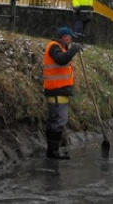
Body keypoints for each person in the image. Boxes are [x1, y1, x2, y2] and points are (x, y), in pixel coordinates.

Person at [43, 26, 83, 159]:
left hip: (61, 90)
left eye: (71, 38)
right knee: (58, 120)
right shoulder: (54, 47)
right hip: (55, 90)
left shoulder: (62, 48)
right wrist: (73, 50)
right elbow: (61, 60)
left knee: (57, 120)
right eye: (68, 37)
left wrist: (71, 50)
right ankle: (53, 152)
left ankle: (53, 150)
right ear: (62, 37)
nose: (70, 39)